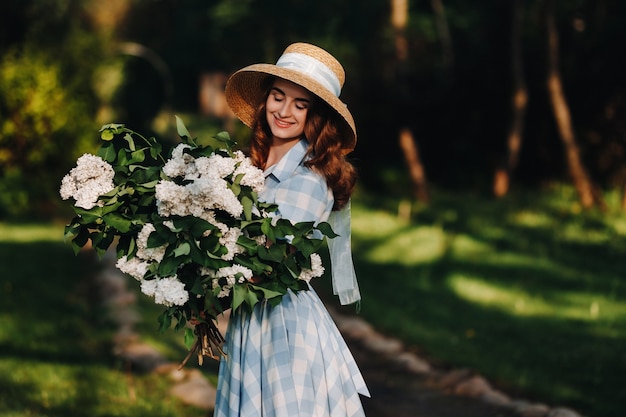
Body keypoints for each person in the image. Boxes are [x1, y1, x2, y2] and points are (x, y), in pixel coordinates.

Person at [215, 42, 370, 417]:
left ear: (315, 116)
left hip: (282, 326)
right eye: (277, 97)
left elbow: (268, 259)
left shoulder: (308, 180)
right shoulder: (254, 170)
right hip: (252, 316)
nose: (284, 112)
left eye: (300, 105)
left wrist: (208, 271)